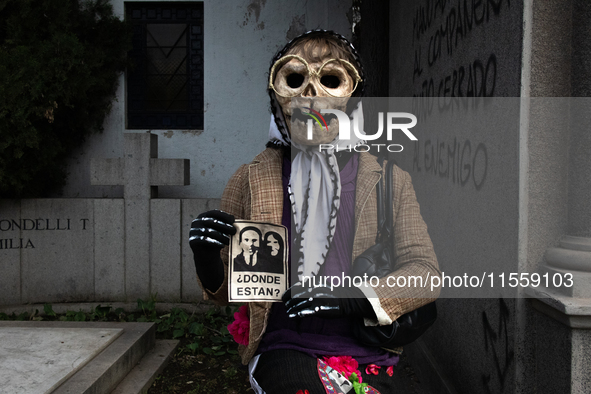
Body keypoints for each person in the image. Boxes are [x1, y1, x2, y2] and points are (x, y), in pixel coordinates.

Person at [189, 30, 441, 393]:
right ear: (276, 94)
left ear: (353, 96)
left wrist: (351, 299)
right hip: (285, 347)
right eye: (294, 78)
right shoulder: (250, 178)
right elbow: (227, 291)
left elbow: (425, 274)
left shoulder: (389, 181)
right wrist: (207, 257)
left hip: (369, 351)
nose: (310, 93)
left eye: (330, 79)